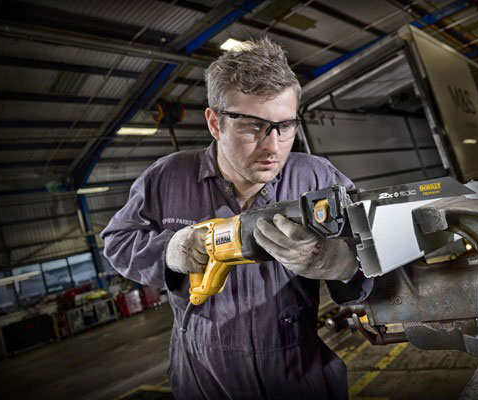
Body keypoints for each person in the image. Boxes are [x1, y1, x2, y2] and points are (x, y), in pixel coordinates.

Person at [101, 37, 371, 400]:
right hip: (203, 380)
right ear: (215, 123)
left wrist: (342, 263)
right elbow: (117, 241)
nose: (273, 146)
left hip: (299, 374)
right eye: (252, 126)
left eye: (285, 126)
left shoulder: (317, 177)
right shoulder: (167, 176)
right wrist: (169, 252)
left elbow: (377, 249)